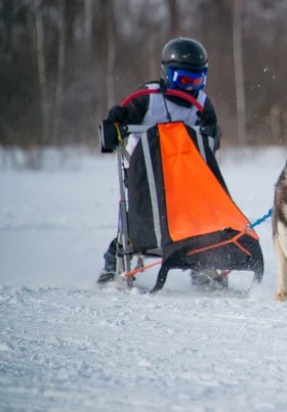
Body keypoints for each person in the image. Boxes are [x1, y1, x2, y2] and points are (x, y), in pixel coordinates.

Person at [97, 37, 227, 289]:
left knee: (201, 214)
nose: (191, 87)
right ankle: (114, 262)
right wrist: (117, 120)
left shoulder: (202, 104)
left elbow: (212, 144)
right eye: (185, 80)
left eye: (197, 81)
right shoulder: (147, 98)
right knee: (136, 222)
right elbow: (119, 128)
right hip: (143, 174)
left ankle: (203, 265)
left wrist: (212, 131)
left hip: (186, 176)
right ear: (167, 74)